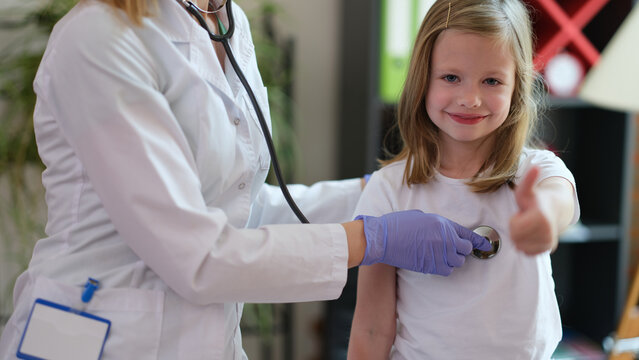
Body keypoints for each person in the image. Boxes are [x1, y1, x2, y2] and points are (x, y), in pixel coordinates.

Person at [0, 0, 492, 359]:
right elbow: (196, 254)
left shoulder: (222, 23)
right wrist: (372, 238)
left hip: (202, 340)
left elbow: (238, 207)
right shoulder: (99, 39)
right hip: (94, 333)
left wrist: (374, 193)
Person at [347, 0, 580, 359]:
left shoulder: (536, 171)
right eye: (451, 77)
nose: (470, 99)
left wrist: (545, 217)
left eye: (491, 80)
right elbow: (372, 328)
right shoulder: (388, 190)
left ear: (516, 86)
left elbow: (558, 199)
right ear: (423, 78)